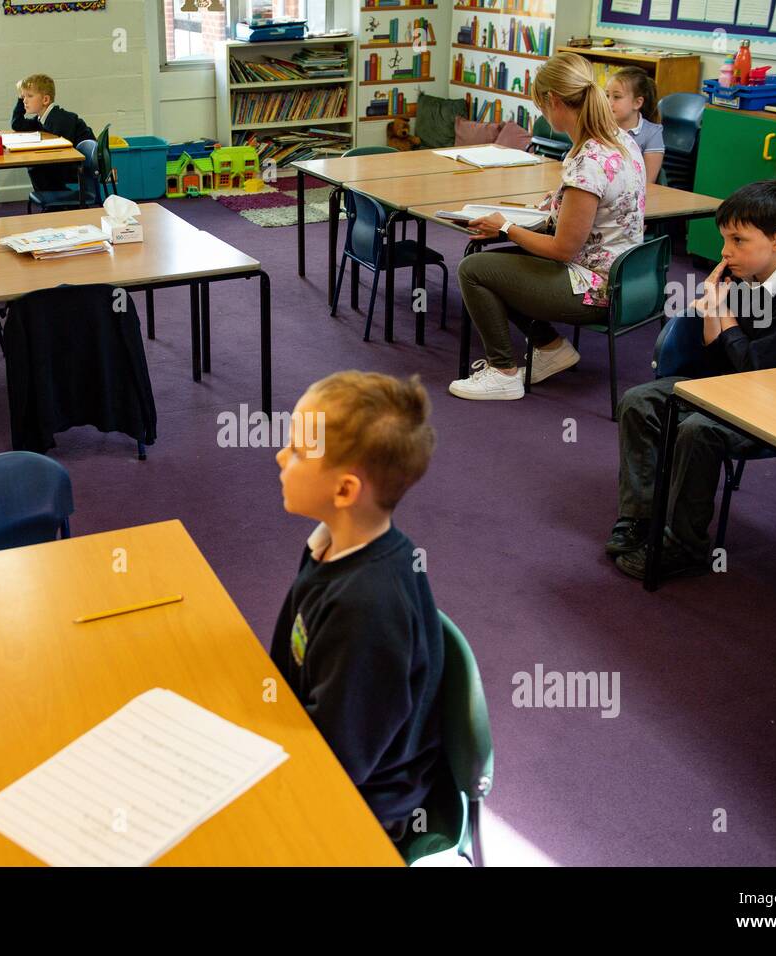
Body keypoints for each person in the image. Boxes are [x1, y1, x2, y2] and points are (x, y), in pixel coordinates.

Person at [608, 180, 776, 580]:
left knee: (698, 430)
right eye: (724, 239)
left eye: (737, 240)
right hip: (731, 388)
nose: (725, 252)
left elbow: (752, 368)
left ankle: (684, 546)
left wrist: (720, 310)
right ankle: (640, 518)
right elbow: (718, 353)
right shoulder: (744, 278)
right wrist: (713, 305)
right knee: (638, 401)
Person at [270, 370, 444, 841]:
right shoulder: (328, 545)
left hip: (363, 804)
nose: (281, 457)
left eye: (299, 452)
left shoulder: (366, 608)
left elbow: (338, 760)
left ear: (345, 491)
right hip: (312, 744)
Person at [449, 52, 645, 401]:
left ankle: (503, 373)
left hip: (594, 287)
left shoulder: (588, 163)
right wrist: (556, 205)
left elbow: (562, 250)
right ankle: (551, 348)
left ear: (554, 101)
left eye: (541, 104)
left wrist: (508, 227)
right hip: (626, 274)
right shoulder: (621, 140)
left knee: (475, 269)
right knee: (501, 266)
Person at [10, 73, 95, 197]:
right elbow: (17, 124)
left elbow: (59, 152)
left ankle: (58, 203)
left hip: (79, 166)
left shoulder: (59, 119)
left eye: (29, 96)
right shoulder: (42, 118)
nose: (25, 101)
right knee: (35, 166)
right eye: (23, 97)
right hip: (67, 163)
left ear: (45, 100)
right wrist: (19, 98)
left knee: (36, 167)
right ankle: (54, 202)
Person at [606, 67, 664, 185]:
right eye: (607, 95)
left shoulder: (652, 133)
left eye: (617, 97)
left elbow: (647, 182)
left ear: (637, 103)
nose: (609, 102)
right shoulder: (600, 126)